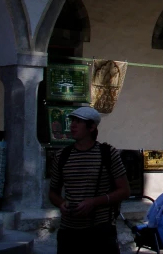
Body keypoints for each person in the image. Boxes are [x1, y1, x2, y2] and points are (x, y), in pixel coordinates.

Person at [49, 106, 131, 254]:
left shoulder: (108, 153)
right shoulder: (61, 156)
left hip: (100, 231)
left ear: (92, 127)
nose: (73, 125)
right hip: (69, 232)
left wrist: (93, 202)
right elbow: (53, 193)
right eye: (73, 120)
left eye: (79, 121)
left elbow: (124, 191)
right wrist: (61, 203)